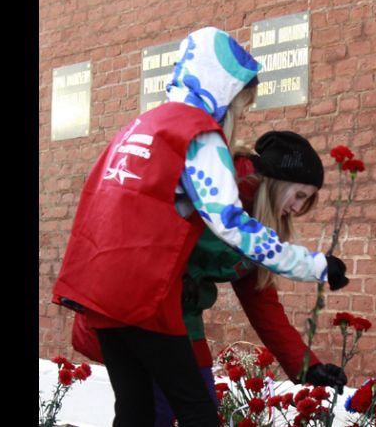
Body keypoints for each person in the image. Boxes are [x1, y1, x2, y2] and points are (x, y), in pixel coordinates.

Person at [51, 27, 349, 427]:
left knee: (138, 413)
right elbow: (231, 225)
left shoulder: (147, 124)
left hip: (101, 292)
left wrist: (305, 368)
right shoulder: (200, 139)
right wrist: (317, 266)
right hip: (146, 301)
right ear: (223, 94)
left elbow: (99, 201)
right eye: (240, 108)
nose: (298, 209)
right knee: (194, 414)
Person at [153, 130, 349, 426]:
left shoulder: (259, 231)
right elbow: (159, 213)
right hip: (149, 308)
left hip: (185, 319)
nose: (297, 208)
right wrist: (177, 271)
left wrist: (306, 367)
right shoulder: (222, 182)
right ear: (277, 181)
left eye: (305, 201)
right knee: (158, 413)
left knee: (198, 413)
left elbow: (262, 303)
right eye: (298, 195)